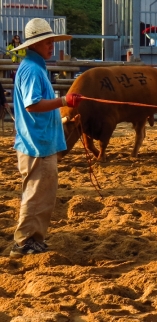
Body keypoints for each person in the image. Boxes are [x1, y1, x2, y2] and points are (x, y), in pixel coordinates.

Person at [9, 18, 83, 258]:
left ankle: (33, 239)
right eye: (46, 42)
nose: (51, 45)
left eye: (51, 41)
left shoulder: (35, 67)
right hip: (36, 144)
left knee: (41, 193)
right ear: (35, 45)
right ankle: (24, 242)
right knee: (36, 194)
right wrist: (63, 101)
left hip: (39, 141)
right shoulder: (32, 69)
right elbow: (33, 105)